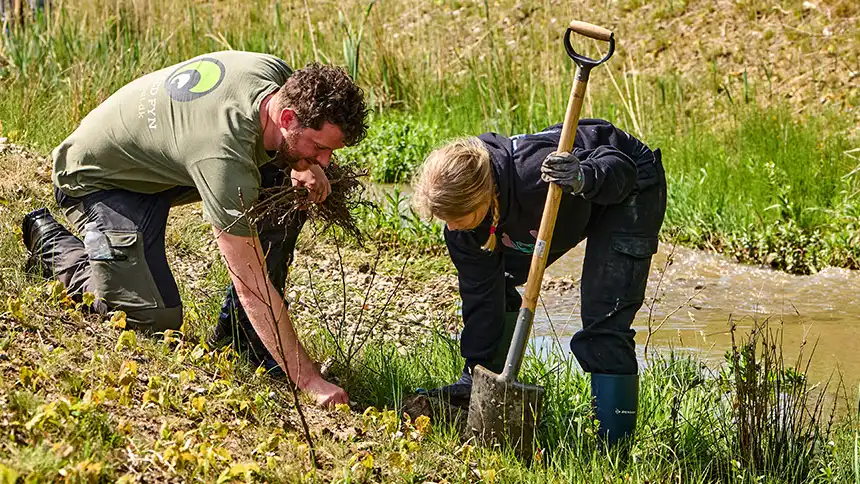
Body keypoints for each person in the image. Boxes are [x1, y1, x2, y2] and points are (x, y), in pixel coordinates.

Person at [21, 51, 368, 407]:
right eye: (321, 148)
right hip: (98, 181)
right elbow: (251, 285)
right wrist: (309, 380)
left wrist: (301, 161)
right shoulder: (222, 155)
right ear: (289, 118)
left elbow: (286, 141)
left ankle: (242, 339)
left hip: (158, 165)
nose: (326, 161)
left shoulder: (277, 78)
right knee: (148, 318)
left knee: (284, 184)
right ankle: (53, 245)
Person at [412, 119, 666, 443]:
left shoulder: (535, 174)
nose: (453, 227)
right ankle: (480, 384)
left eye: (458, 218)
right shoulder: (462, 228)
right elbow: (480, 299)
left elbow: (621, 167)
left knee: (605, 319)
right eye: (446, 220)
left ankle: (613, 448)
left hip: (623, 184)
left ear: (485, 196)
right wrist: (473, 371)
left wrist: (583, 176)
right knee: (494, 289)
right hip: (558, 210)